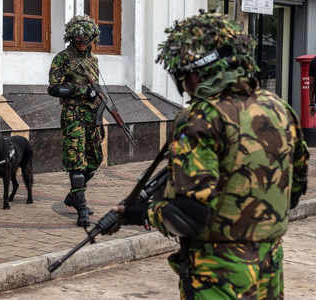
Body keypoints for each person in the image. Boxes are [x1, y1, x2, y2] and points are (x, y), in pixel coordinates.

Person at [113, 12, 309, 299]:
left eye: (184, 76)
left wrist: (141, 214)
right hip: (269, 267)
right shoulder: (279, 108)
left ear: (198, 72)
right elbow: (295, 188)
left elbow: (188, 216)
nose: (186, 87)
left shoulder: (201, 118)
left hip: (218, 275)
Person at [47, 15, 103, 227]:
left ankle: (73, 195)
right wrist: (81, 91)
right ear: (72, 37)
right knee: (76, 162)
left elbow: (96, 91)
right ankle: (81, 208)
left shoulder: (93, 60)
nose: (82, 42)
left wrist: (99, 115)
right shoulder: (62, 58)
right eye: (78, 39)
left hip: (92, 117)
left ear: (92, 38)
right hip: (73, 116)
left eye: (86, 39)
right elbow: (53, 88)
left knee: (95, 159)